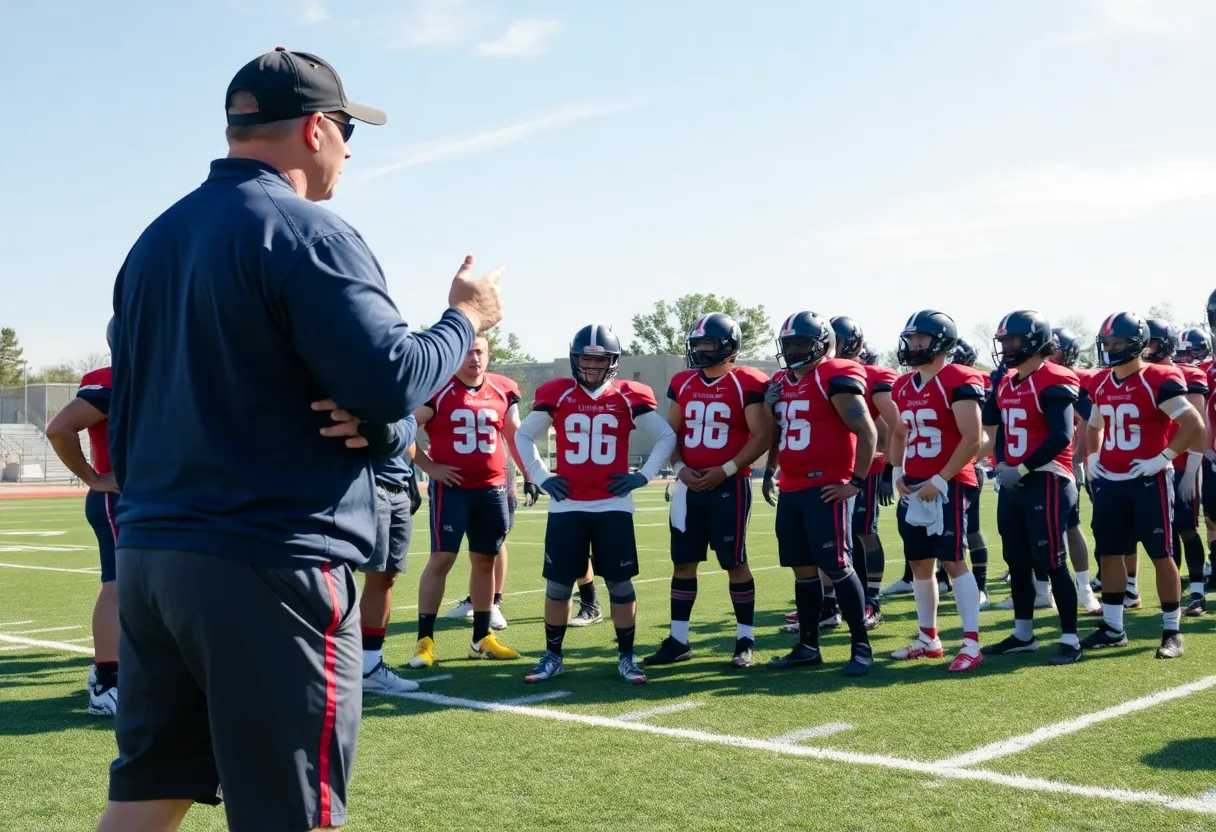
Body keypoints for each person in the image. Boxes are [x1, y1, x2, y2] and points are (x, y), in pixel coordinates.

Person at [99, 48, 503, 832]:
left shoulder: (154, 240)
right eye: (348, 133)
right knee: (293, 810)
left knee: (148, 795)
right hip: (265, 553)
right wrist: (467, 318)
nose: (349, 154)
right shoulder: (304, 228)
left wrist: (378, 427)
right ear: (317, 128)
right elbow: (391, 376)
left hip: (153, 555)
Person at [514, 324, 677, 684]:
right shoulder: (557, 393)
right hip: (567, 505)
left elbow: (666, 436)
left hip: (612, 507)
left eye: (598, 360)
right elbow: (523, 434)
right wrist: (541, 477)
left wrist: (643, 476)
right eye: (584, 359)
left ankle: (626, 656)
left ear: (612, 363)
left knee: (620, 584)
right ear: (574, 359)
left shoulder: (629, 395)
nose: (590, 367)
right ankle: (553, 656)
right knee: (558, 585)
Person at [645, 313, 771, 669]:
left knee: (734, 561)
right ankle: (679, 640)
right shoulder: (683, 381)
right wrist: (681, 469)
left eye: (708, 344)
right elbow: (671, 434)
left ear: (729, 347)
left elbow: (763, 436)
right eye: (697, 344)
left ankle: (745, 639)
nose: (700, 350)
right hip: (689, 486)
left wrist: (727, 469)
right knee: (683, 562)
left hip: (729, 484)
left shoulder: (746, 382)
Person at [764, 312, 877, 676]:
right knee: (802, 571)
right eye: (789, 344)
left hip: (825, 487)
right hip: (792, 487)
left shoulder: (833, 373)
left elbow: (867, 429)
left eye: (800, 342)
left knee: (838, 566)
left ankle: (861, 646)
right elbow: (778, 433)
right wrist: (769, 471)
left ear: (821, 344)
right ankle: (808, 646)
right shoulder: (781, 382)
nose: (793, 350)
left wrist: (856, 482)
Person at [1083, 312, 1202, 659]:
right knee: (1109, 553)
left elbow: (1193, 424)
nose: (1111, 348)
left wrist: (1162, 457)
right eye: (1107, 342)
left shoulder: (1157, 378)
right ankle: (1113, 627)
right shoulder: (1102, 383)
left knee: (1161, 554)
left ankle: (1171, 630)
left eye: (1117, 342)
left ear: (1136, 342)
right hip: (1112, 480)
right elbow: (1093, 426)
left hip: (1149, 479)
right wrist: (1092, 458)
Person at [408, 334, 528, 668]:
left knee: (485, 560)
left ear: (488, 354)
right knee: (442, 558)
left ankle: (481, 638)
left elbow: (513, 436)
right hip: (453, 490)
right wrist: (430, 467)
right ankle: (424, 641)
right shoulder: (438, 388)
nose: (474, 358)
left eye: (480, 351)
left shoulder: (503, 388)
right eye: (468, 352)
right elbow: (405, 428)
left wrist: (529, 473)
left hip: (491, 489)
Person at [981, 311, 1083, 664]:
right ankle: (1024, 633)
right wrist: (1002, 464)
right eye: (1004, 341)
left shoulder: (1055, 378)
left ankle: (1070, 638)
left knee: (1052, 560)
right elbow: (999, 433)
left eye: (1013, 340)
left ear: (1035, 341)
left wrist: (1022, 467)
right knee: (1016, 559)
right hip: (1015, 481)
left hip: (1048, 478)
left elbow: (1061, 435)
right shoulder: (1006, 382)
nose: (1007, 347)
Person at [888, 310, 986, 673]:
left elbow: (972, 438)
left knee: (953, 561)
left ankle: (972, 643)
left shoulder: (960, 379)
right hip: (914, 483)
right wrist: (897, 471)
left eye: (921, 339)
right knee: (918, 564)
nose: (913, 346)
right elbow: (899, 432)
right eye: (911, 339)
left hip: (950, 484)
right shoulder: (902, 385)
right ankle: (928, 638)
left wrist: (942, 478)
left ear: (941, 342)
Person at [44, 318, 120, 717]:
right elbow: (59, 429)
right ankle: (108, 684)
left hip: (154, 500)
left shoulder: (172, 370)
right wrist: (94, 478)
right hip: (121, 499)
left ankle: (116, 672)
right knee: (118, 585)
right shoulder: (116, 377)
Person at [1143, 320, 1209, 616]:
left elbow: (1200, 424)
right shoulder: (1142, 375)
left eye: (1153, 342)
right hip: (1154, 465)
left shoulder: (1189, 374)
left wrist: (1194, 467)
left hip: (1181, 463)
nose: (1147, 347)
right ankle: (1176, 592)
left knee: (1186, 528)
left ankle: (1197, 592)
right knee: (1164, 533)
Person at [358, 431, 423, 696]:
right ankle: (326, 661)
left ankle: (370, 666)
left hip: (399, 486)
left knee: (385, 577)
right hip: (366, 483)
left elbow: (407, 435)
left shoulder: (408, 391)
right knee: (335, 573)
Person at [1046, 327, 1104, 616]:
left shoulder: (1075, 380)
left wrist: (1081, 457)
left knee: (1070, 523)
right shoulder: (1022, 377)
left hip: (1061, 462)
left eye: (1055, 348)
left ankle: (1084, 589)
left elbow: (1092, 419)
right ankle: (1041, 590)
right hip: (1027, 463)